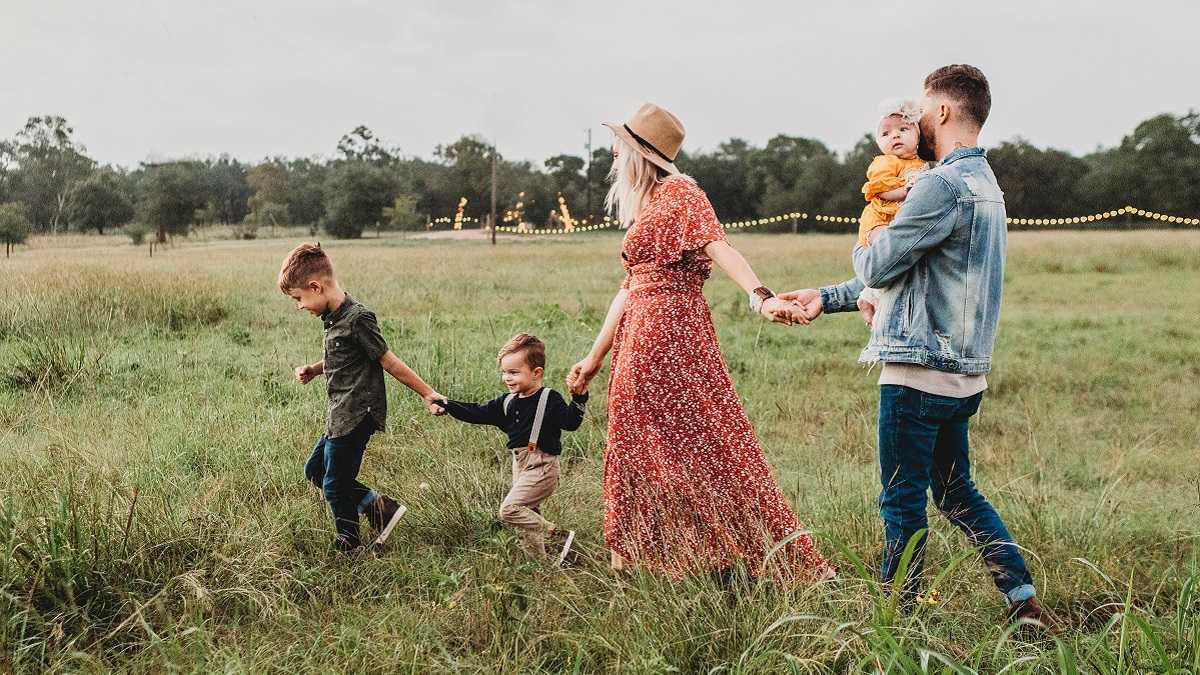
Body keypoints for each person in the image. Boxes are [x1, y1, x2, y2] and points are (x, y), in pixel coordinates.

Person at [781, 65, 1058, 630]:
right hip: (964, 376)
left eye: (923, 109)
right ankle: (1023, 602)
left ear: (945, 112)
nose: (916, 120)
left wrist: (870, 239)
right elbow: (915, 273)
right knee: (958, 495)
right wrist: (828, 297)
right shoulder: (987, 186)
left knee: (901, 502)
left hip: (917, 372)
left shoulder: (938, 184)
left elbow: (880, 263)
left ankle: (895, 622)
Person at [566, 102, 833, 583]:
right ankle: (649, 557)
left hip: (671, 335)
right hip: (638, 336)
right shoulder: (647, 204)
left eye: (619, 145)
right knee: (638, 445)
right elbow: (627, 289)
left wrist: (760, 297)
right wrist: (593, 358)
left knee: (706, 443)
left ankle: (730, 551)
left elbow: (719, 246)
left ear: (639, 153)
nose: (611, 152)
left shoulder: (681, 193)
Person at [280, 242, 445, 552]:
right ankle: (381, 509)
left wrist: (428, 394)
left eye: (298, 298)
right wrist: (315, 370)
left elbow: (388, 361)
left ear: (316, 286)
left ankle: (350, 545)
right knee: (315, 471)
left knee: (335, 484)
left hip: (357, 414)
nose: (299, 306)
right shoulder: (332, 318)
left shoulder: (358, 318)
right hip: (339, 413)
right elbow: (342, 359)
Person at [434, 333, 585, 564]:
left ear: (537, 373)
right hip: (520, 465)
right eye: (504, 372)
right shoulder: (507, 402)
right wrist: (447, 404)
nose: (507, 378)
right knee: (526, 520)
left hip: (543, 466)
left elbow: (571, 423)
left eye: (514, 372)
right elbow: (476, 412)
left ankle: (558, 536)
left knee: (510, 509)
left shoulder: (549, 398)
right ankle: (540, 568)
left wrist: (578, 397)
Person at [855, 99, 928, 326]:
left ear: (917, 136)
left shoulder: (920, 164)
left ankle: (869, 297)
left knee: (897, 258)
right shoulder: (885, 162)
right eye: (886, 134)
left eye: (903, 130)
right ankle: (871, 300)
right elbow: (880, 188)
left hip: (895, 219)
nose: (895, 136)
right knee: (889, 251)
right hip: (879, 219)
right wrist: (905, 191)